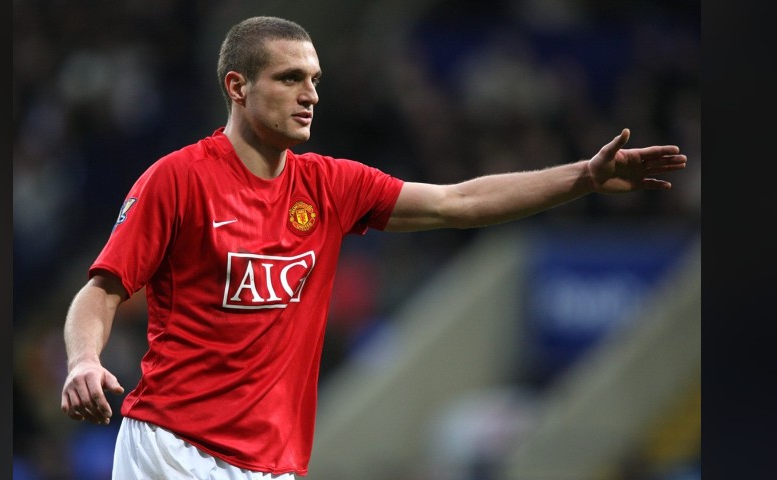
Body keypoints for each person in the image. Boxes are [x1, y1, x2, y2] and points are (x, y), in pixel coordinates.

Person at [59, 15, 687, 480]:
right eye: (289, 78)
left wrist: (585, 176)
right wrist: (85, 360)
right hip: (173, 447)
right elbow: (103, 289)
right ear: (237, 86)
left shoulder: (331, 185)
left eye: (314, 79)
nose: (310, 93)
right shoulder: (179, 178)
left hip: (272, 465)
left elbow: (457, 202)